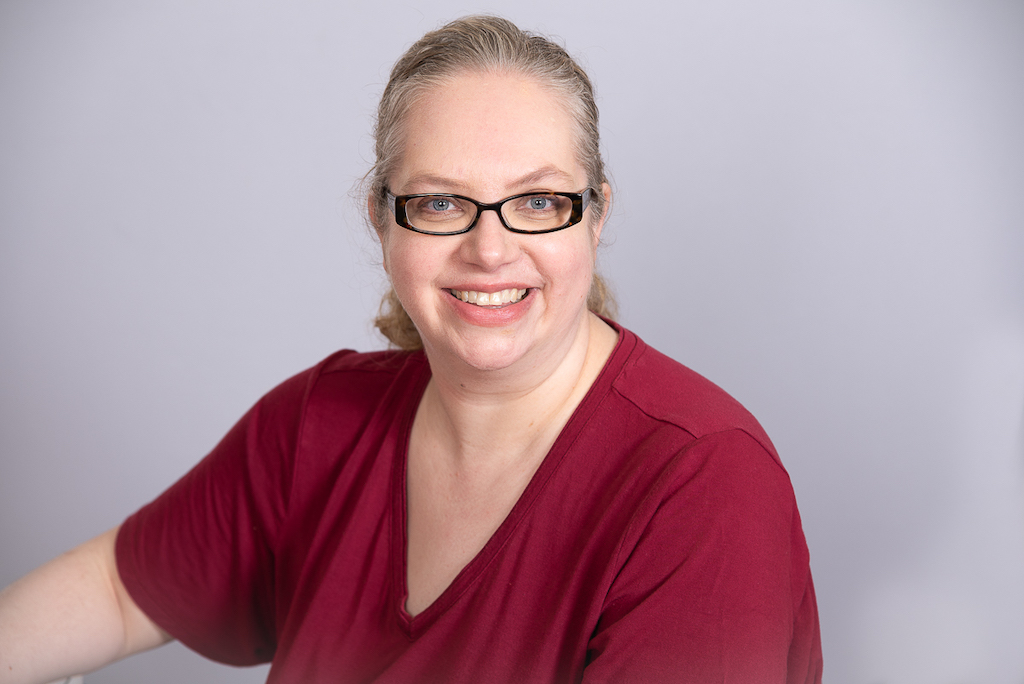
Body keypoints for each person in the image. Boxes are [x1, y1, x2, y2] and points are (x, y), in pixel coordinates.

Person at [0, 15, 822, 684]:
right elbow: (115, 592)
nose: (491, 250)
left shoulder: (704, 482)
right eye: (440, 203)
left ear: (596, 215)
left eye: (537, 201)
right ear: (381, 219)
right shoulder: (319, 424)